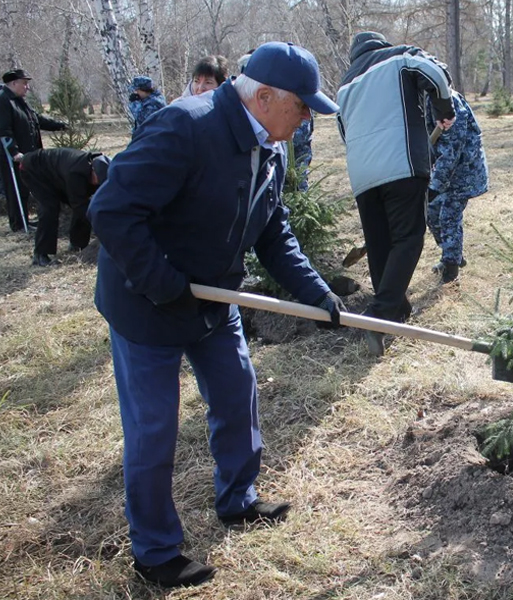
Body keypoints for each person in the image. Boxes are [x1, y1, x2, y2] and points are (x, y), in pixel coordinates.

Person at [88, 41, 346, 588]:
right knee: (154, 427)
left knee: (236, 392)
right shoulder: (184, 127)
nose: (305, 120)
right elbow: (110, 210)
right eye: (302, 107)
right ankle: (156, 551)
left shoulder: (270, 146)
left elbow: (272, 230)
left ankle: (239, 499)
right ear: (266, 96)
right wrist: (164, 285)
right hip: (146, 303)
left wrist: (318, 296)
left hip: (214, 300)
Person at [336, 31, 455, 355]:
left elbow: (344, 130)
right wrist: (443, 109)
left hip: (362, 174)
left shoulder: (344, 86)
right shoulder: (399, 58)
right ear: (380, 46)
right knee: (408, 238)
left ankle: (397, 310)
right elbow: (436, 73)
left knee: (379, 245)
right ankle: (378, 315)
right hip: (401, 165)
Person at [424, 90, 488, 283]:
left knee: (448, 216)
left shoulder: (448, 101)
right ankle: (453, 253)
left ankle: (450, 269)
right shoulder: (425, 98)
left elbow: (452, 149)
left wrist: (434, 187)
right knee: (432, 212)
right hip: (445, 171)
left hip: (464, 170)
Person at [0, 68, 67, 232]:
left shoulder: (19, 100)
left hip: (30, 154)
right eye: (24, 83)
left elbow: (36, 119)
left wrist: (60, 126)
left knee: (27, 187)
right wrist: (13, 152)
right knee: (16, 189)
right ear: (14, 83)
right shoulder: (3, 100)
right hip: (13, 156)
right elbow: (4, 130)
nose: (27, 87)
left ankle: (27, 220)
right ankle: (19, 224)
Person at [19, 148, 110, 266]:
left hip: (57, 174)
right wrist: (102, 226)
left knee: (84, 206)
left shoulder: (99, 168)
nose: (97, 184)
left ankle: (78, 245)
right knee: (49, 208)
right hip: (34, 169)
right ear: (92, 170)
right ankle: (40, 254)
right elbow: (80, 206)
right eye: (97, 180)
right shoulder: (75, 172)